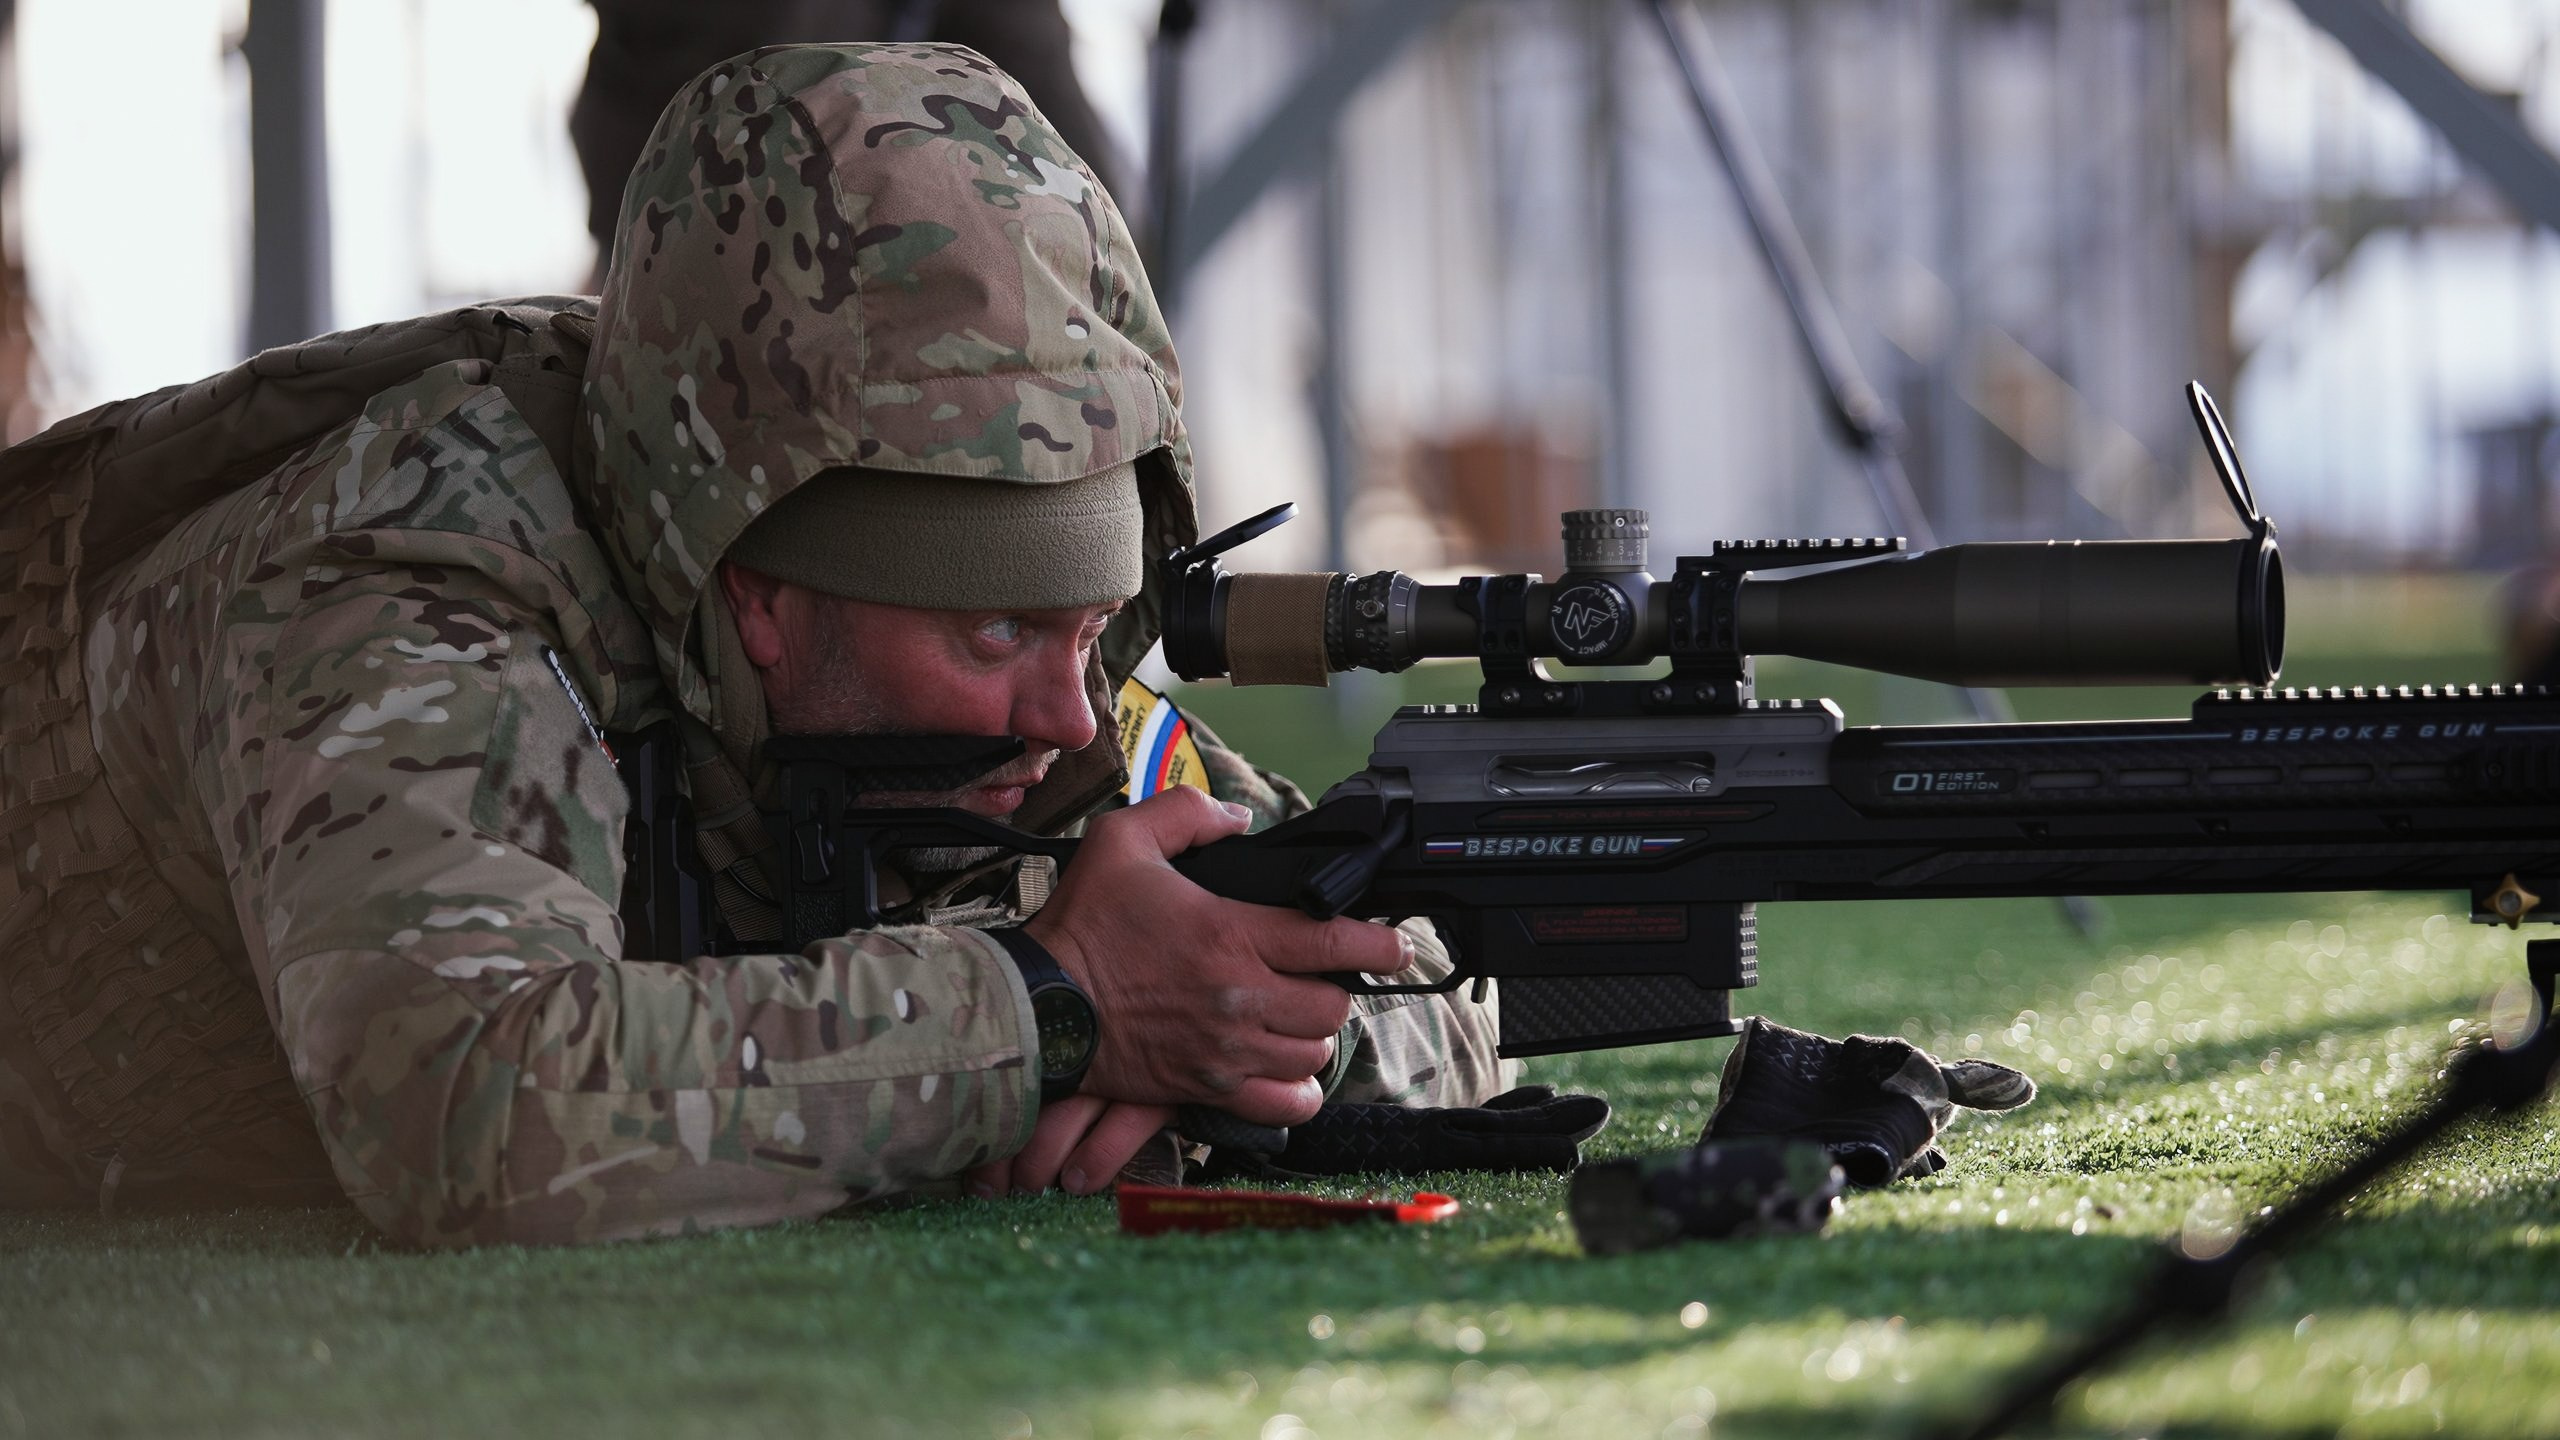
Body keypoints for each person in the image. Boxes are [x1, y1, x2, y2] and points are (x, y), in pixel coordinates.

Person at [0, 43, 1508, 1245]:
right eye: (997, 625)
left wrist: (1229, 1043)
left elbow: (1431, 981)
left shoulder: (1023, 698)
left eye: (1097, 623)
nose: (1071, 714)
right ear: (759, 594)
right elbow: (467, 1113)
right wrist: (1051, 1016)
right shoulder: (409, 580)